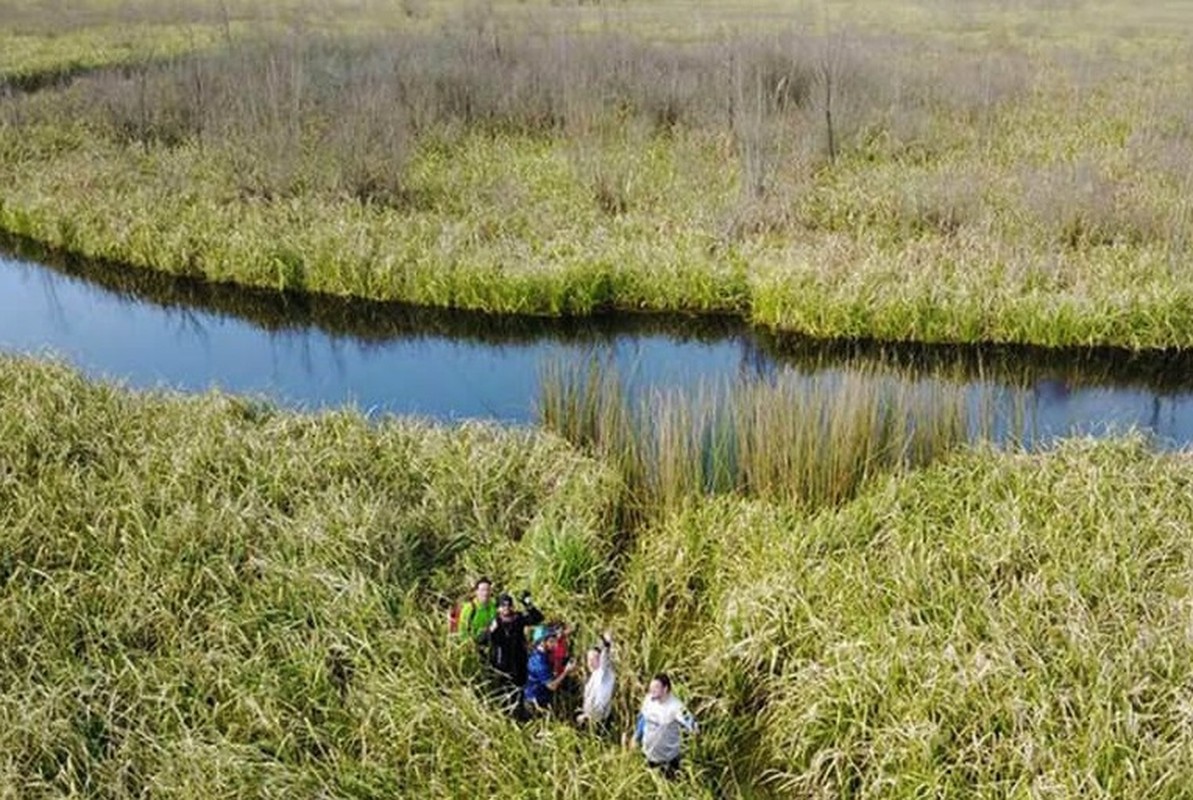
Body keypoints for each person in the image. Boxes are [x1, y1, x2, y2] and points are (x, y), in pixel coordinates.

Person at [630, 673, 696, 778]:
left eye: (656, 687)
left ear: (665, 689)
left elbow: (691, 723)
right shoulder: (648, 700)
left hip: (668, 760)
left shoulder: (676, 706)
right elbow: (643, 718)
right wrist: (636, 736)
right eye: (651, 687)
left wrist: (693, 733)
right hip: (648, 755)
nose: (652, 690)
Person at [479, 591, 543, 700]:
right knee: (503, 693)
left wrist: (528, 604)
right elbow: (481, 640)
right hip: (501, 664)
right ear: (498, 608)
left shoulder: (518, 618)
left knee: (520, 690)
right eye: (503, 606)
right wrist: (490, 630)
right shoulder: (495, 622)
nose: (506, 608)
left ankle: (520, 712)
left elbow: (538, 618)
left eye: (508, 605)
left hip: (519, 662)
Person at [523, 625, 577, 712]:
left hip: (541, 695)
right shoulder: (539, 662)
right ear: (542, 642)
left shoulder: (541, 653)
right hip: (536, 702)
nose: (555, 644)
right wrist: (566, 671)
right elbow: (552, 686)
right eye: (551, 642)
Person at [576, 630, 615, 730]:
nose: (590, 663)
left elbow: (606, 656)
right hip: (590, 719)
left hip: (599, 721)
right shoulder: (594, 675)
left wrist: (607, 644)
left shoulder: (603, 673)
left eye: (594, 659)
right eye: (588, 659)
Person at [457, 577, 497, 643]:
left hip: (489, 641)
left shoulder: (493, 606)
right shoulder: (470, 607)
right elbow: (462, 629)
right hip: (472, 642)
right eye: (482, 590)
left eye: (488, 590)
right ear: (476, 592)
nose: (485, 593)